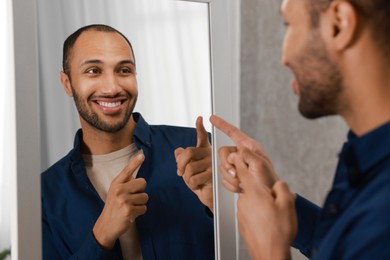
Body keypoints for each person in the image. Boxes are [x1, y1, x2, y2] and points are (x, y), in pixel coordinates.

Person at [210, 0, 390, 259]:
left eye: (289, 24)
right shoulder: (366, 158)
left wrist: (270, 251)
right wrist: (275, 199)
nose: (284, 58)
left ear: (339, 24)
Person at [41, 24, 214, 260]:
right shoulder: (45, 193)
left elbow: (265, 242)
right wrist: (101, 234)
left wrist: (221, 204)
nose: (112, 88)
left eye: (124, 70)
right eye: (93, 71)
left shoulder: (199, 152)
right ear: (67, 83)